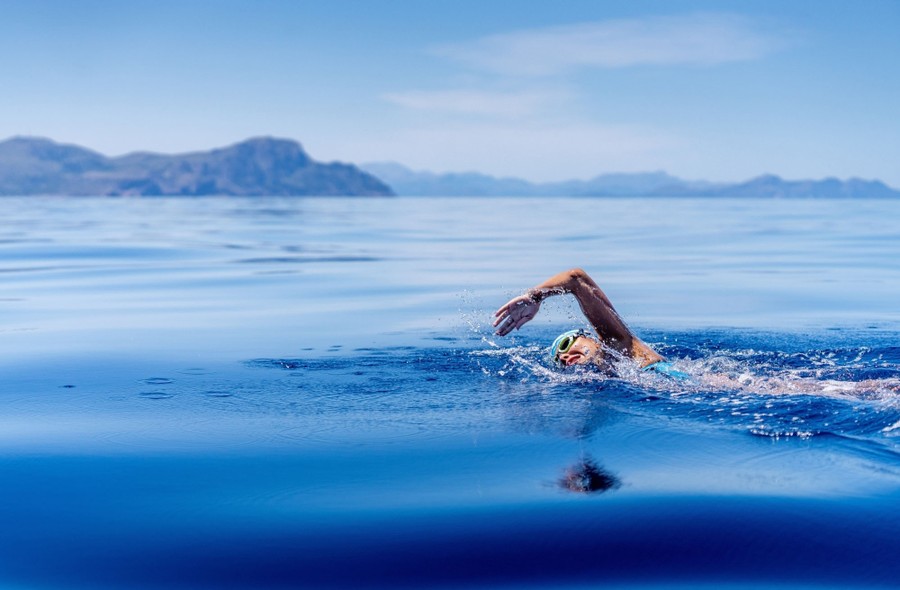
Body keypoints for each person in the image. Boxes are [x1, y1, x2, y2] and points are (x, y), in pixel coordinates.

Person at [493, 267, 688, 378]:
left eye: (565, 344)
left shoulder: (620, 345)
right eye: (560, 361)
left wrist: (535, 296)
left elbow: (576, 279)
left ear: (590, 338)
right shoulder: (609, 376)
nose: (565, 356)